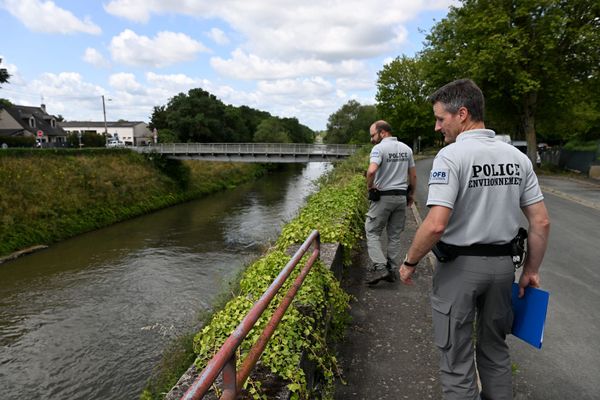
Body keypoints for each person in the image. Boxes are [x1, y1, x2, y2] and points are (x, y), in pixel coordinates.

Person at [399, 79, 550, 400]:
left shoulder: (452, 157)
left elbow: (436, 225)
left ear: (462, 114)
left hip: (459, 270)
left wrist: (409, 262)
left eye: (441, 119)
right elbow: (541, 221)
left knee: (456, 359)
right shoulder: (518, 158)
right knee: (495, 352)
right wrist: (531, 271)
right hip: (501, 270)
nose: (437, 126)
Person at [364, 120, 417, 285]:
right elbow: (413, 176)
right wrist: (411, 195)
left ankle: (380, 268)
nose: (372, 139)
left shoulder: (379, 148)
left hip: (383, 197)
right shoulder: (406, 149)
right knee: (394, 235)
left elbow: (372, 170)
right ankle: (392, 269)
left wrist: (370, 187)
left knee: (372, 231)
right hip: (401, 197)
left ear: (382, 132)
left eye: (373, 135)